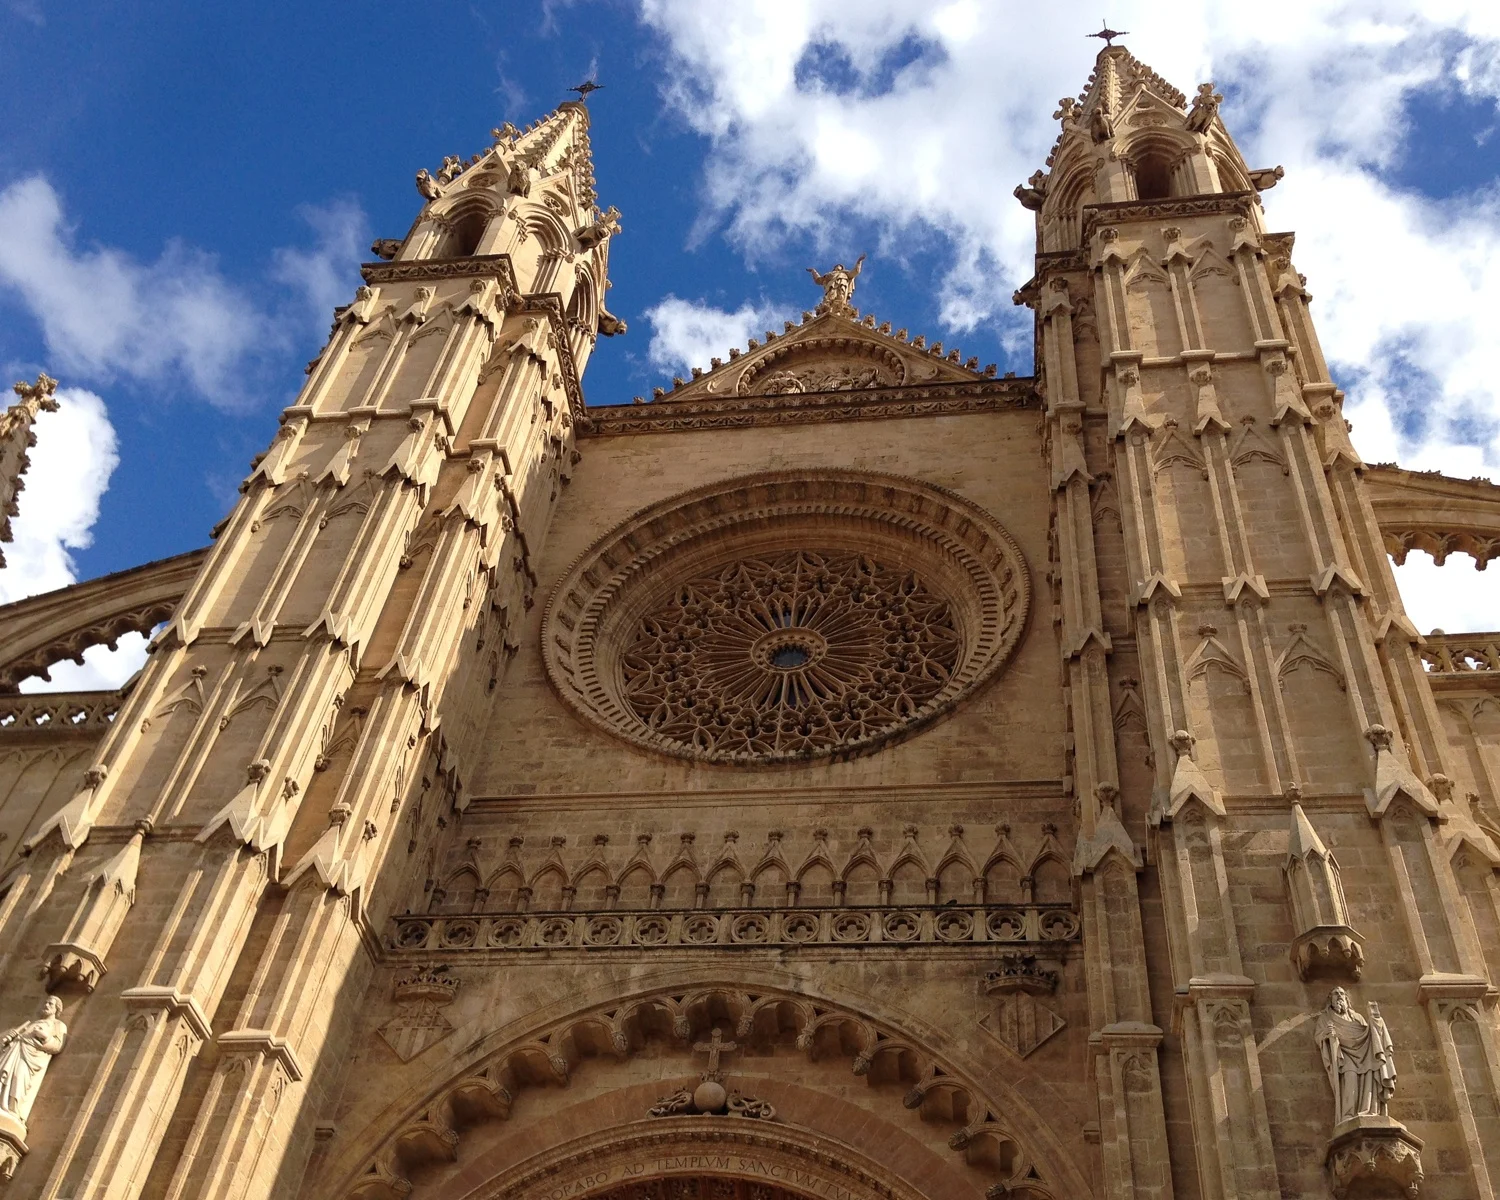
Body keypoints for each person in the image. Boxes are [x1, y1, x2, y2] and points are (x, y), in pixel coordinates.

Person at [1315, 987, 1396, 1125]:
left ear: (1346, 999)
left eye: (1342, 993)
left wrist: (1375, 1022)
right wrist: (1327, 1035)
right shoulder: (1325, 1018)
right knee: (1350, 1079)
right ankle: (1348, 1115)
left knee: (1368, 1080)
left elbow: (1367, 1035)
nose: (1339, 996)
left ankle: (1370, 1110)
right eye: (1336, 994)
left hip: (1364, 1054)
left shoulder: (1357, 1018)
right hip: (1344, 1055)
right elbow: (1318, 1036)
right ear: (1331, 999)